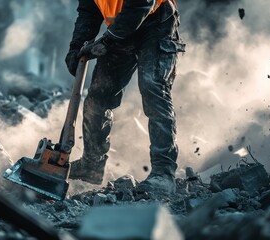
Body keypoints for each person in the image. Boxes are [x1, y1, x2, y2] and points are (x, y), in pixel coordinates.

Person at [65, 0, 185, 195]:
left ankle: (164, 174)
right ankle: (91, 165)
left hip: (156, 23)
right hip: (119, 27)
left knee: (153, 88)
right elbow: (89, 10)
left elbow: (140, 4)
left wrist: (107, 41)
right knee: (98, 97)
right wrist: (76, 46)